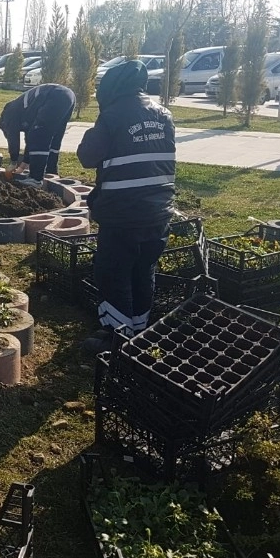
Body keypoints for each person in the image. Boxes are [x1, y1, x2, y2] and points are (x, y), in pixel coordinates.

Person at [76, 60, 176, 353]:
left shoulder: (113, 116)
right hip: (158, 212)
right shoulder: (164, 114)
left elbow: (87, 156)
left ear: (111, 88)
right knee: (143, 270)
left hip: (123, 216)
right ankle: (139, 329)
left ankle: (116, 337)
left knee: (113, 272)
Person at [0, 83, 75, 181]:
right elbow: (29, 140)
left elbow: (13, 137)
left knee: (38, 136)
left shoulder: (9, 113)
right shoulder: (25, 113)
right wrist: (23, 166)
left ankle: (35, 179)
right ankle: (51, 175)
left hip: (53, 95)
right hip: (68, 96)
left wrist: (13, 162)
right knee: (54, 138)